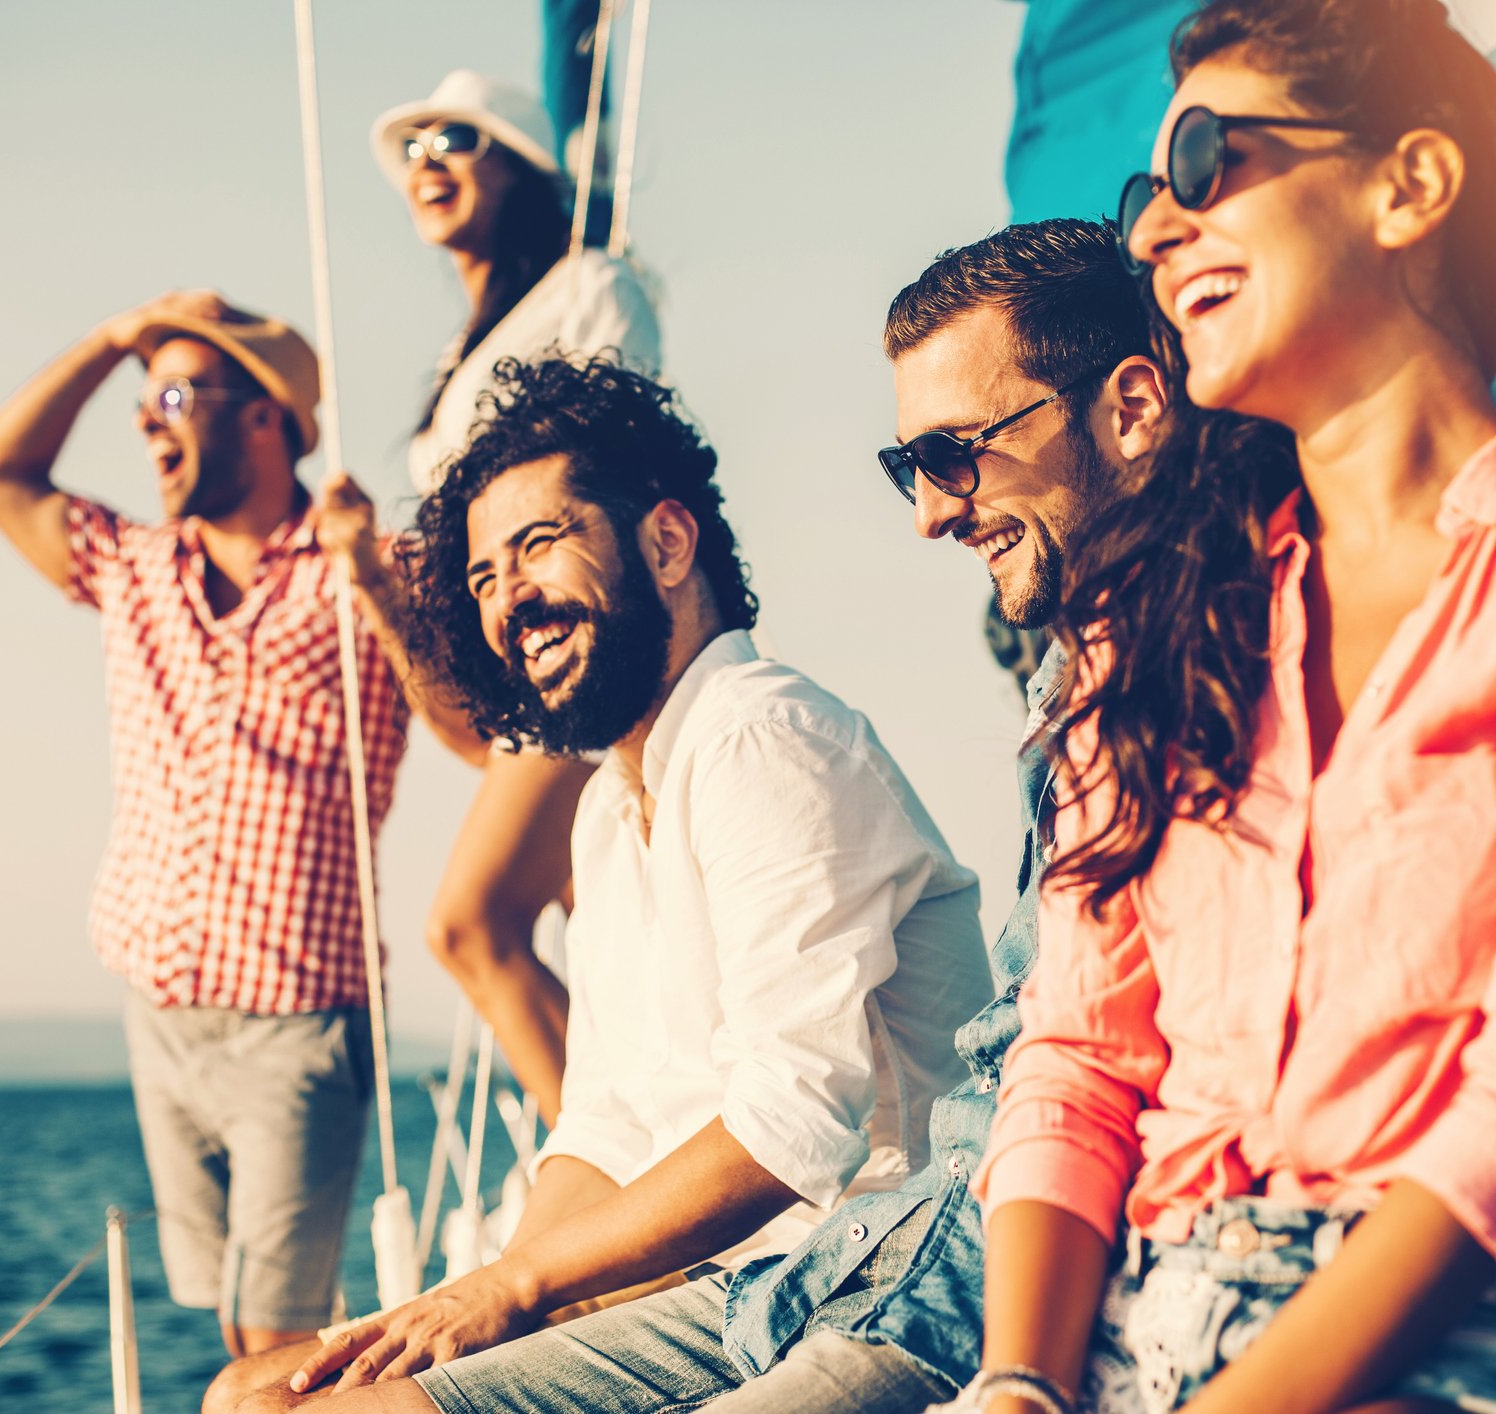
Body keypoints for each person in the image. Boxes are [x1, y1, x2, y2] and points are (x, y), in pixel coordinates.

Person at [955, 3, 1496, 1413]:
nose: (1156, 233)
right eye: (1146, 201)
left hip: (1472, 1327)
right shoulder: (1146, 610)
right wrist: (1018, 1382)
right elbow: (1077, 1059)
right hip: (1141, 1321)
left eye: (1205, 162)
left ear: (1410, 186)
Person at [208, 353, 989, 1413]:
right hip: (727, 1289)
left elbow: (795, 1125)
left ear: (667, 543)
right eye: (484, 579)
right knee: (254, 1393)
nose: (509, 601)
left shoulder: (764, 737)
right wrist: (479, 1309)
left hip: (864, 1275)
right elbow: (607, 1125)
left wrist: (513, 1290)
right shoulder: (613, 806)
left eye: (540, 544)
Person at [0, 291, 415, 1357]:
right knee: (229, 1322)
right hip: (157, 1009)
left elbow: (472, 734)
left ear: (265, 416)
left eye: (172, 396)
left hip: (297, 1019)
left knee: (276, 1339)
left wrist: (378, 586)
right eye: (141, 401)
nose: (144, 422)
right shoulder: (132, 566)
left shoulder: (363, 569)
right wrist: (117, 338)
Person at [373, 69, 663, 1119]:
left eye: (456, 139)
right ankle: (638, 1146)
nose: (427, 162)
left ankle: (602, 1176)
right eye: (413, 147)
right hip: (515, 663)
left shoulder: (590, 287)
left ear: (524, 165)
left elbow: (606, 461)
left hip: (586, 644)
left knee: (473, 923)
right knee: (620, 946)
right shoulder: (472, 342)